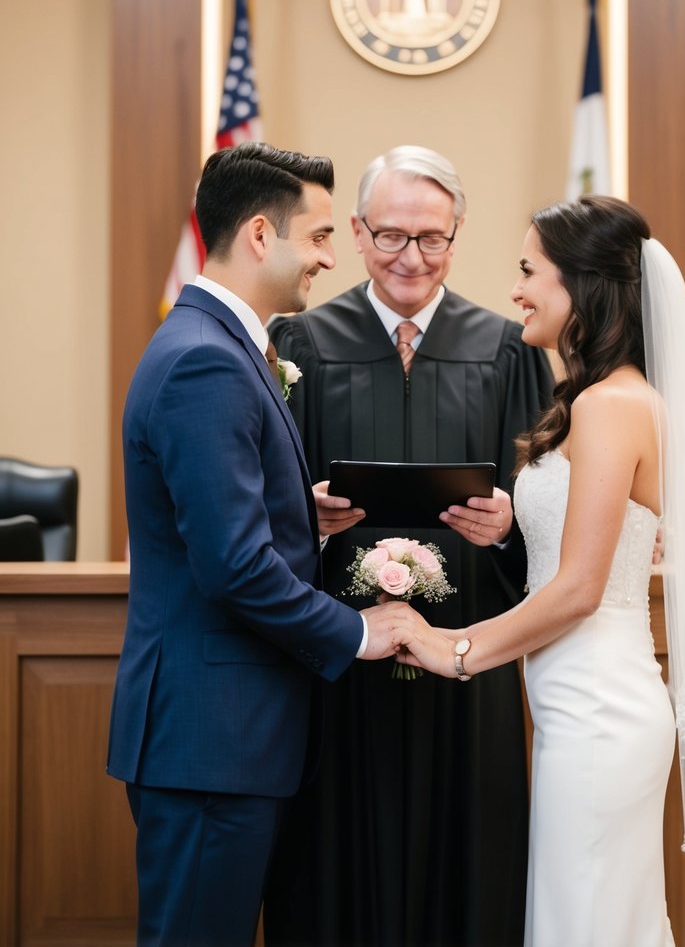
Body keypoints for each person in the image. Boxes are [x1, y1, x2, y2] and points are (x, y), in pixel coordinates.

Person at [392, 195, 685, 946]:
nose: (515, 289)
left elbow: (577, 590)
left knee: (585, 924)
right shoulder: (606, 399)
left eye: (531, 270)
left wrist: (454, 647)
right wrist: (514, 519)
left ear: (583, 287)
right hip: (579, 707)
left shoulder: (608, 404)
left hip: (600, 713)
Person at [107, 143, 414, 947]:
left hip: (226, 741)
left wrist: (293, 516)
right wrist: (356, 630)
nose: (328, 256)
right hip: (211, 741)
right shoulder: (206, 362)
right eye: (316, 236)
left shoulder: (220, 344)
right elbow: (232, 568)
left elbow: (215, 526)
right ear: (256, 234)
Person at [265, 146, 555, 947]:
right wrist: (303, 514)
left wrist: (509, 529)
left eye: (431, 238)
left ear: (456, 238)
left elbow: (544, 511)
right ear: (357, 234)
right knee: (332, 846)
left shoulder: (506, 349)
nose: (411, 258)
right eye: (391, 236)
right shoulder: (302, 343)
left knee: (467, 845)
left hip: (467, 648)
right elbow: (260, 505)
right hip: (340, 654)